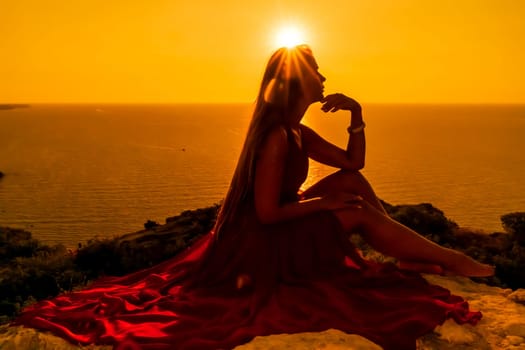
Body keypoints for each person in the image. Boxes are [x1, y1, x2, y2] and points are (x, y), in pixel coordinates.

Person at [14, 45, 493, 350]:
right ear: (300, 83)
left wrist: (358, 115)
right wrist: (324, 206)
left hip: (277, 225)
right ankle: (447, 259)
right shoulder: (277, 138)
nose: (326, 79)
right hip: (256, 242)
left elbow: (353, 166)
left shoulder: (298, 130)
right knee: (348, 202)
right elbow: (266, 213)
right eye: (318, 73)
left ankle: (418, 254)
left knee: (353, 190)